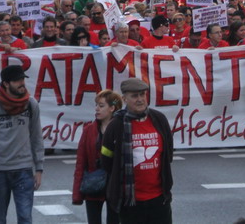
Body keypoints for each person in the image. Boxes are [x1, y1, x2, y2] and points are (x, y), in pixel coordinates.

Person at [0, 64, 44, 224]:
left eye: (22, 79)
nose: (22, 83)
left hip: (24, 170)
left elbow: (37, 137)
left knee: (25, 218)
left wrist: (39, 168)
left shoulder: (31, 104)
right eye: (17, 80)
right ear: (6, 83)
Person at [100, 78, 174, 223]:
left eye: (142, 94)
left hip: (159, 199)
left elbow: (168, 153)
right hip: (129, 202)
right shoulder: (116, 125)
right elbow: (106, 160)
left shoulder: (159, 119)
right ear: (124, 99)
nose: (140, 99)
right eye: (134, 96)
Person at [73, 89, 121, 224]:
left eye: (101, 106)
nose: (97, 109)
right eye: (96, 105)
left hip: (115, 185)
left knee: (115, 221)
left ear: (112, 108)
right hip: (94, 185)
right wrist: (77, 193)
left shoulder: (122, 128)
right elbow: (81, 162)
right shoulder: (89, 130)